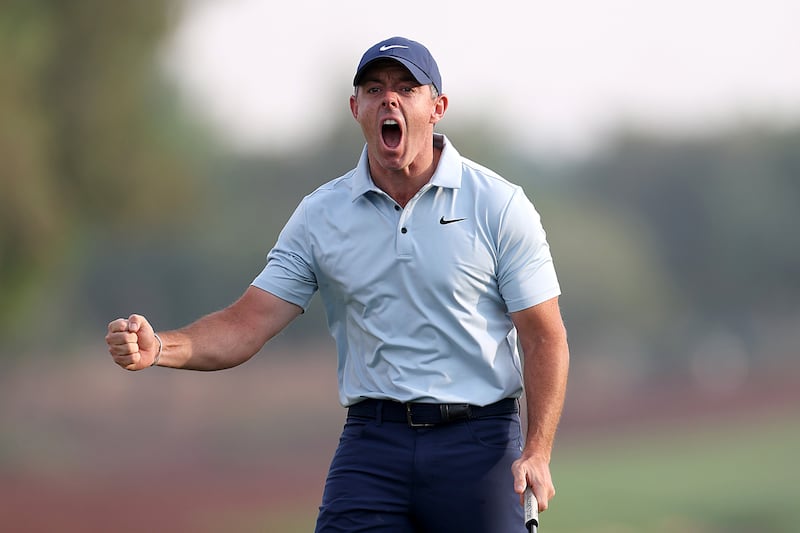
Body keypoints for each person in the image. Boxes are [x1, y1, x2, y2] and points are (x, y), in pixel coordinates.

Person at [106, 36, 569, 532]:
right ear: (356, 108)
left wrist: (537, 452)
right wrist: (161, 347)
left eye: (406, 88)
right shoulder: (320, 214)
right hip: (373, 444)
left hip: (478, 443)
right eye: (374, 89)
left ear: (437, 108)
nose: (389, 100)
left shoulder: (497, 205)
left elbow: (544, 337)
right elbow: (247, 322)